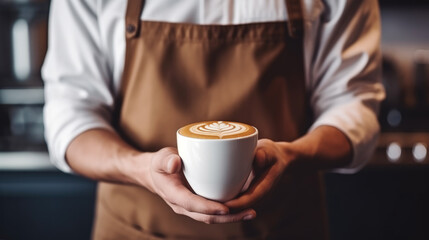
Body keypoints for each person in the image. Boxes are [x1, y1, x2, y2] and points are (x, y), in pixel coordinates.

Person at [42, 0, 385, 239]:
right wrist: (141, 168)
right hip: (136, 230)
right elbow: (70, 114)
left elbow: (353, 105)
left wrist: (292, 154)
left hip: (283, 229)